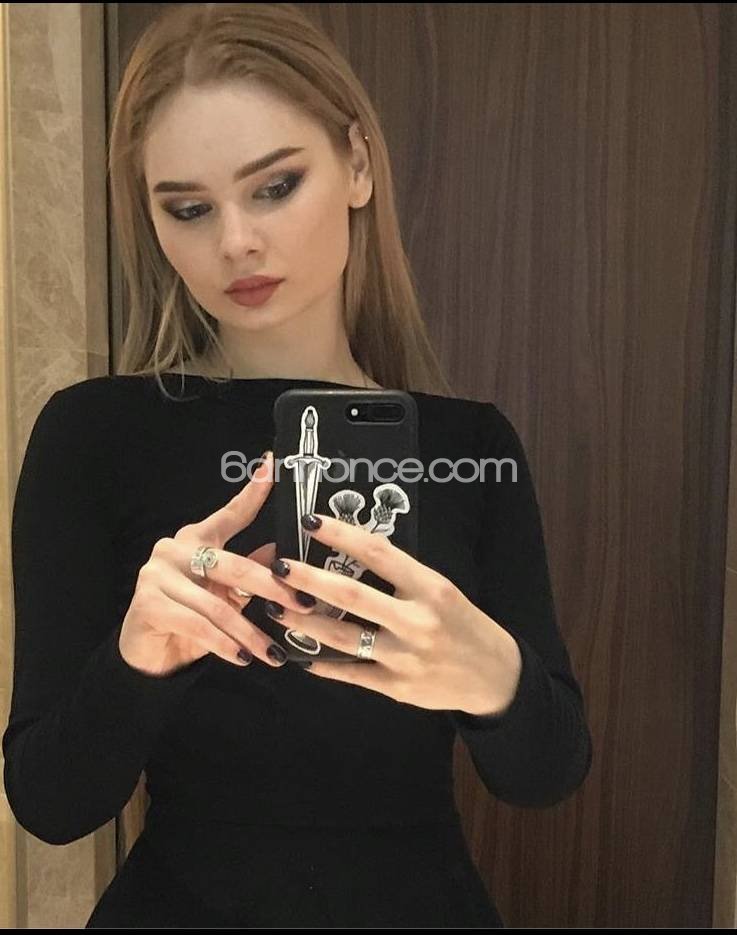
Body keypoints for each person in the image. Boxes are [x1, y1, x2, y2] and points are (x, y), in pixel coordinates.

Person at [2, 2, 593, 927]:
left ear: (357, 164)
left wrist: (494, 677)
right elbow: (50, 801)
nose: (234, 240)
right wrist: (136, 658)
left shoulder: (470, 447)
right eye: (188, 208)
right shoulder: (96, 434)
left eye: (274, 187)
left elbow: (547, 772)